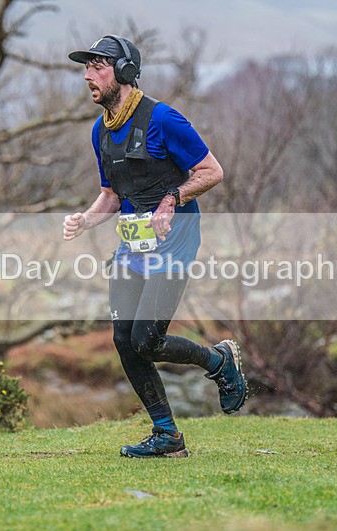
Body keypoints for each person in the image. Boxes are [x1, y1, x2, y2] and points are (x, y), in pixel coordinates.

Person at [63, 35, 247, 458]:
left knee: (147, 339)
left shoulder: (164, 119)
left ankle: (219, 362)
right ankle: (167, 436)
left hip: (175, 242)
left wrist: (172, 199)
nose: (88, 75)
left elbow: (211, 171)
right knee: (124, 340)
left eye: (98, 66)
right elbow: (110, 194)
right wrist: (86, 219)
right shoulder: (101, 132)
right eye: (86, 67)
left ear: (125, 72)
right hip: (132, 245)